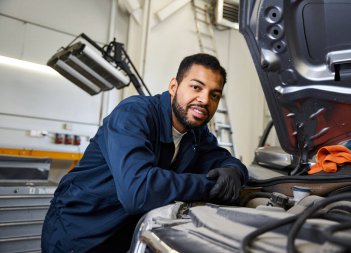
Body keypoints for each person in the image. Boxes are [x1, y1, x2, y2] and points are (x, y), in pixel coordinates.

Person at [41, 53, 248, 253]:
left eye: (214, 95)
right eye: (196, 87)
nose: (204, 100)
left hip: (121, 237)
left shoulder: (196, 133)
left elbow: (224, 160)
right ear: (173, 87)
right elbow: (137, 192)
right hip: (78, 234)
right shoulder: (133, 114)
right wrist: (211, 185)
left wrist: (234, 171)